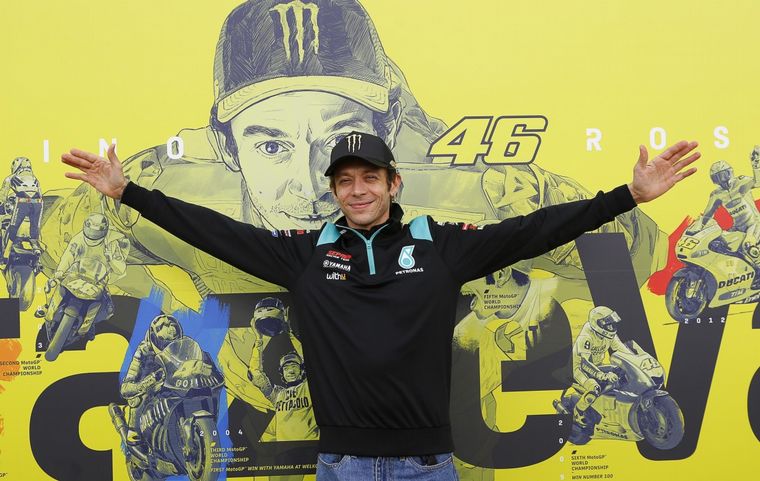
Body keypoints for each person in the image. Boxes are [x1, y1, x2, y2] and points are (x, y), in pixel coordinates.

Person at [61, 131, 697, 479]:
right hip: (340, 465)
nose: (358, 190)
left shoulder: (442, 247)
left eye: (370, 177)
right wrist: (128, 193)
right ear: (335, 191)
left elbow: (537, 230)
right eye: (345, 181)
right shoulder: (304, 254)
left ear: (394, 183)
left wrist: (628, 197)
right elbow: (214, 232)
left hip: (429, 465)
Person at [40, 0, 665, 315]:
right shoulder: (182, 196)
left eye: (338, 141)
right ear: (228, 148)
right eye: (272, 144)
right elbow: (58, 233)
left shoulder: (458, 212)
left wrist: (625, 202)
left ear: (387, 136)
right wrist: (118, 200)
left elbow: (632, 254)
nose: (312, 181)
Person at [693, 148, 760, 285]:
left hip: (754, 224)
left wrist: (756, 165)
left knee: (748, 245)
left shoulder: (740, 182)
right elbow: (707, 215)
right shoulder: (717, 195)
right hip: (737, 227)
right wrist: (697, 228)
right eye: (718, 177)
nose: (723, 179)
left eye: (724, 174)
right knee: (720, 244)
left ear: (730, 172)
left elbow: (757, 182)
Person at [119, 314, 184, 445]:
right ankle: (134, 430)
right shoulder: (143, 351)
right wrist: (150, 381)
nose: (167, 348)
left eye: (172, 344)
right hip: (152, 389)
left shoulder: (184, 348)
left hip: (175, 386)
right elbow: (126, 388)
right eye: (164, 343)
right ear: (154, 337)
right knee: (140, 398)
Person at [570, 306, 634, 427]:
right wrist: (603, 375)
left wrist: (635, 360)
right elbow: (585, 363)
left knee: (621, 372)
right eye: (608, 325)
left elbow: (621, 348)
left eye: (613, 324)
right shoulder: (586, 337)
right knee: (594, 389)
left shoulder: (609, 335)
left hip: (597, 366)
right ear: (598, 324)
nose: (612, 327)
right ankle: (577, 413)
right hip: (579, 369)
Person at [0, 156, 43, 265]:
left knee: (13, 226)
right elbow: (40, 194)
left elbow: (2, 196)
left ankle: (6, 254)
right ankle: (35, 247)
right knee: (35, 226)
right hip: (38, 203)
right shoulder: (35, 178)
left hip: (23, 202)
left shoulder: (11, 177)